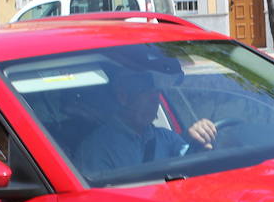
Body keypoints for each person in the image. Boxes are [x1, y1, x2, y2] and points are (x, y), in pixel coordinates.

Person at [75, 70, 218, 177]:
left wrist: (199, 139)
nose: (155, 103)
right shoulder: (96, 148)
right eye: (148, 96)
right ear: (123, 97)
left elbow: (190, 162)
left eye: (156, 98)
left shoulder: (167, 138)